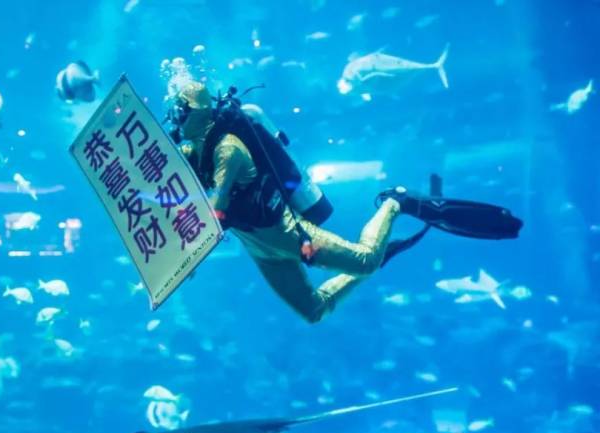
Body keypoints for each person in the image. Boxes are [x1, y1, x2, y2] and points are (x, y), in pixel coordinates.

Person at [169, 81, 522, 323]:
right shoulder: (195, 147)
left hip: (287, 232)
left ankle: (394, 203)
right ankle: (378, 254)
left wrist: (184, 256)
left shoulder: (228, 150)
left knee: (365, 261)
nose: (177, 118)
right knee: (313, 311)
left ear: (200, 113)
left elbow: (215, 209)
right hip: (259, 246)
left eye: (182, 111)